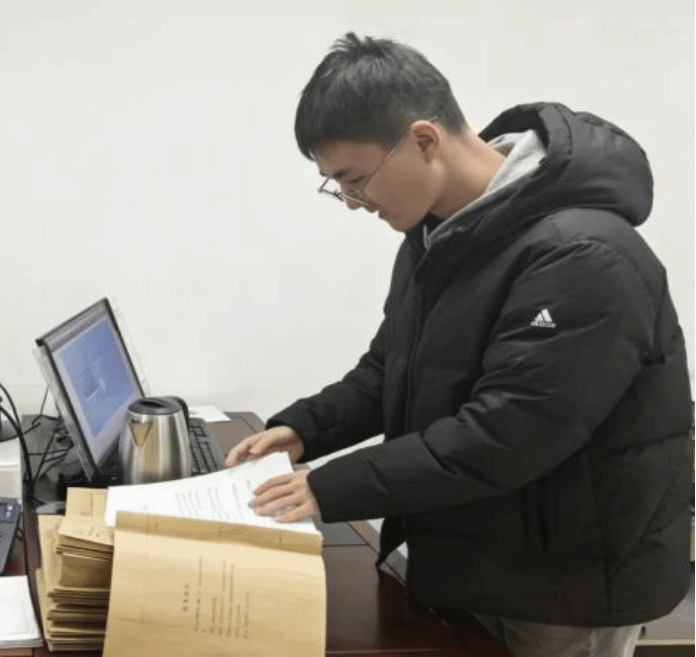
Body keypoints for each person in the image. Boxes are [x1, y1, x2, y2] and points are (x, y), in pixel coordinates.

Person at [225, 33, 693, 657]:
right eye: (337, 186)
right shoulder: (438, 236)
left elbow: (507, 433)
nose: (354, 203)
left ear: (424, 140)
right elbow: (390, 368)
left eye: (355, 180)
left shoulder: (583, 256)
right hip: (476, 555)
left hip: (565, 586)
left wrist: (329, 487)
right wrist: (305, 430)